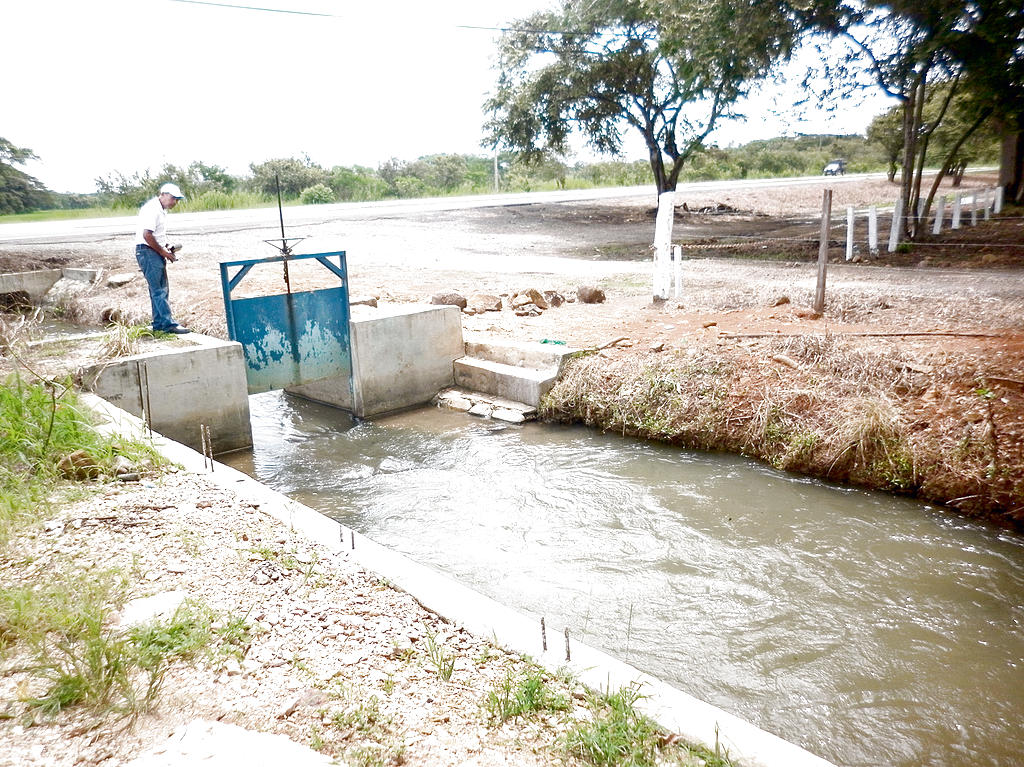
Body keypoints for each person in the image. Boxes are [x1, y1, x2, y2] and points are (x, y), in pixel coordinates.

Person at [135, 182, 189, 333]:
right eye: (173, 198)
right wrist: (163, 252)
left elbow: (156, 235)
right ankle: (167, 324)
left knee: (157, 288)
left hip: (151, 251)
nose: (174, 202)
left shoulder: (160, 209)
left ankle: (159, 322)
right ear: (163, 195)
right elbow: (147, 235)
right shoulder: (152, 209)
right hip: (147, 251)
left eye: (177, 199)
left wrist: (167, 246)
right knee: (159, 289)